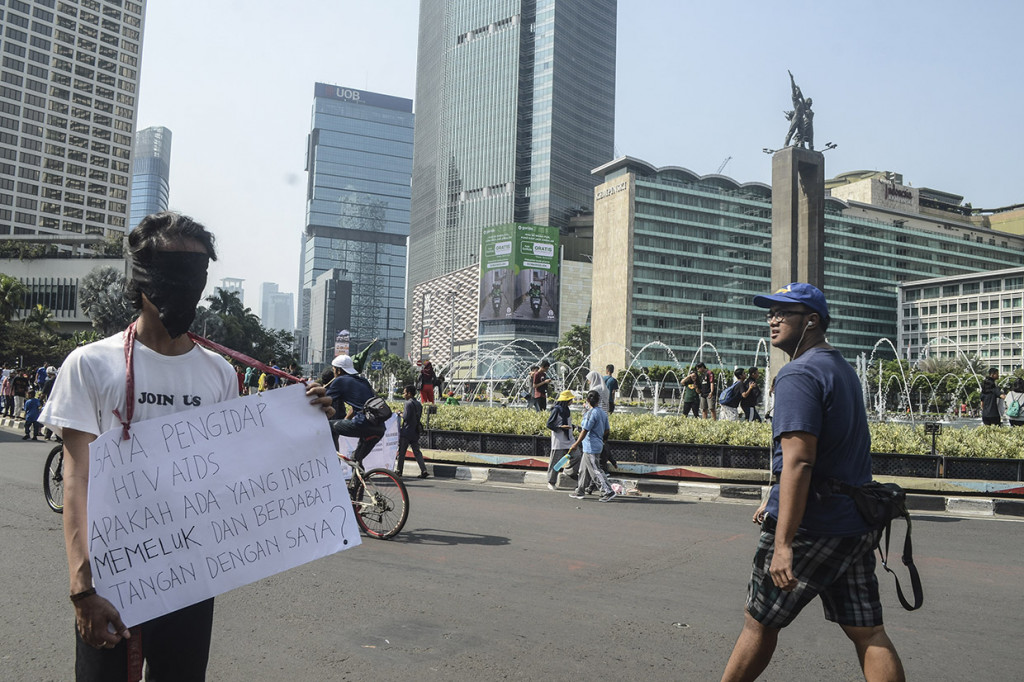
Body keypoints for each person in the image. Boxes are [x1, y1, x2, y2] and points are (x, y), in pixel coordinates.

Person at [38, 211, 335, 681]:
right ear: (141, 279)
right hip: (111, 579)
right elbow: (76, 478)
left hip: (190, 578)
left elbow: (234, 469)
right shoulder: (90, 365)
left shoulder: (218, 373)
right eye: (173, 274)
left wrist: (306, 422)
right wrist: (81, 586)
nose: (186, 289)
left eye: (196, 275)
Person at [722, 282, 905, 682]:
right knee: (868, 631)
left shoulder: (798, 374)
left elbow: (800, 462)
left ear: (812, 320)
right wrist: (772, 496)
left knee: (759, 622)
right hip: (854, 523)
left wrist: (783, 544)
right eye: (770, 311)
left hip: (811, 527)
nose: (772, 319)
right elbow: (830, 452)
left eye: (783, 312)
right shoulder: (840, 368)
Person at [325, 354, 386, 464]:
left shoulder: (340, 381)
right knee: (356, 459)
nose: (333, 372)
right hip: (380, 428)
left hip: (363, 424)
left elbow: (325, 400)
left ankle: (334, 463)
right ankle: (360, 480)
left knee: (328, 426)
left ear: (338, 371)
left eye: (333, 369)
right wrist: (345, 421)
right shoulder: (363, 381)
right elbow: (356, 408)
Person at [567, 390, 616, 502]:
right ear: (598, 400)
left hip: (590, 446)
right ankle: (579, 491)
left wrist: (575, 444)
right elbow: (607, 430)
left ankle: (608, 491)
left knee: (595, 470)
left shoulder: (590, 413)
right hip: (596, 444)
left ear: (588, 400)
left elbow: (584, 430)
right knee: (583, 470)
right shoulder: (603, 413)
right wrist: (600, 438)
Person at [396, 385, 429, 478]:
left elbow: (405, 417)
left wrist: (399, 413)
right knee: (417, 452)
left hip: (406, 431)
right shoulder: (419, 404)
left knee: (402, 452)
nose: (403, 394)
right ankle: (424, 470)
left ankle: (399, 471)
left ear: (409, 393)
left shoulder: (408, 403)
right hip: (415, 431)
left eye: (404, 392)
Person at [546, 389, 575, 490]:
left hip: (569, 438)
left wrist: (575, 427)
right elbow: (549, 424)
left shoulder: (567, 410)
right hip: (559, 439)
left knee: (577, 456)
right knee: (555, 461)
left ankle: (567, 472)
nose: (572, 401)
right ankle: (551, 481)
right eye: (571, 399)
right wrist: (560, 428)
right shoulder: (556, 410)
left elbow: (567, 422)